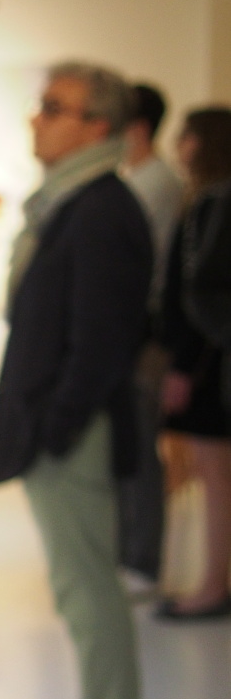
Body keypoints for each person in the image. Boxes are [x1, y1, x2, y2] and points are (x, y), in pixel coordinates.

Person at [0, 62, 153, 699]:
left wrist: (54, 429)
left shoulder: (100, 209)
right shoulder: (78, 203)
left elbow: (100, 343)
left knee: (92, 603)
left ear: (98, 126)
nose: (36, 119)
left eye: (54, 107)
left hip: (75, 439)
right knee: (82, 597)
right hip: (66, 433)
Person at [154, 107, 231, 620]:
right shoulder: (206, 202)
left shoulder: (214, 204)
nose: (179, 145)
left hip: (208, 364)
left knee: (213, 472)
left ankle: (212, 584)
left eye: (187, 137)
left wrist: (185, 365)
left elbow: (203, 295)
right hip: (209, 360)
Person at [115, 83, 186, 593]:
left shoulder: (155, 185)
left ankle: (141, 561)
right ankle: (132, 556)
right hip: (136, 331)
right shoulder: (142, 182)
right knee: (132, 445)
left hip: (145, 335)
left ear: (136, 128)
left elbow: (143, 269)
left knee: (140, 447)